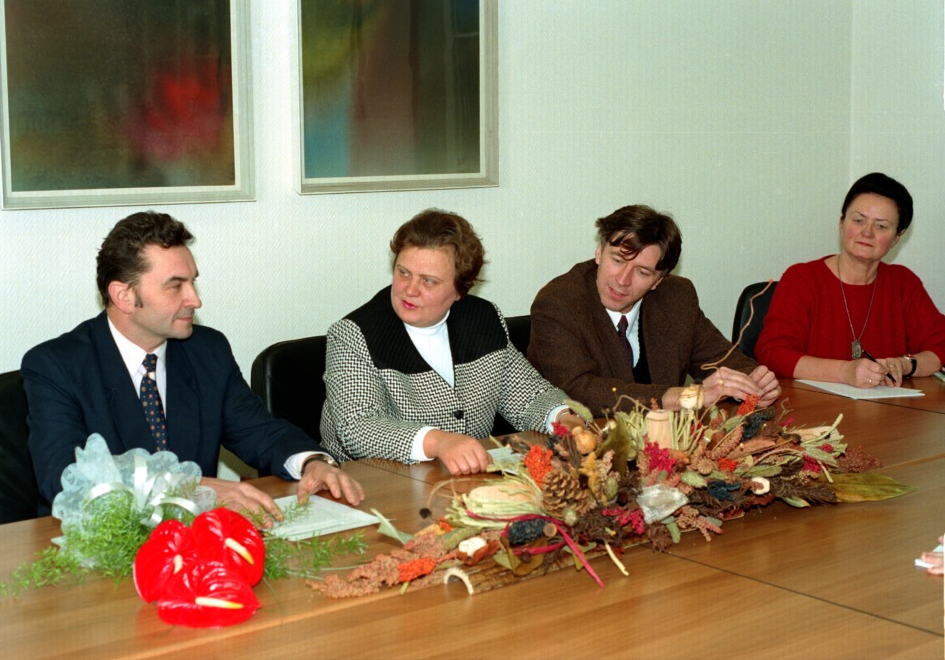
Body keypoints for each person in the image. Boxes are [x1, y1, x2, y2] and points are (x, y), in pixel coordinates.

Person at [22, 211, 364, 522]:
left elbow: (259, 431)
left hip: (197, 539)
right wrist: (190, 487)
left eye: (193, 282)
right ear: (123, 295)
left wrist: (311, 462)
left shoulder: (206, 350)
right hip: (102, 545)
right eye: (175, 286)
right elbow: (66, 479)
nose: (195, 300)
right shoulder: (56, 366)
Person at [319, 209, 578, 476]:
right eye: (403, 272)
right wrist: (438, 442)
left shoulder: (483, 320)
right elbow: (357, 428)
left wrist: (564, 418)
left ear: (459, 290)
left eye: (428, 281)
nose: (410, 289)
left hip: (463, 480)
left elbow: (528, 395)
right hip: (374, 483)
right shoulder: (354, 334)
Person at [528, 204, 780, 415]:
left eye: (642, 272)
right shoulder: (558, 303)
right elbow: (579, 392)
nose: (622, 280)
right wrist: (679, 397)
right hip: (583, 444)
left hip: (665, 445)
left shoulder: (676, 297)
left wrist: (755, 381)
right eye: (617, 260)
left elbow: (721, 360)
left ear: (659, 280)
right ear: (599, 252)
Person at [755, 173, 945, 387]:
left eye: (881, 226)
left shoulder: (903, 283)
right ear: (841, 223)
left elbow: (940, 347)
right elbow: (772, 354)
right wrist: (845, 372)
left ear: (896, 238)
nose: (867, 232)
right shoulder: (802, 279)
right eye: (858, 220)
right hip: (812, 405)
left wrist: (905, 364)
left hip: (885, 407)